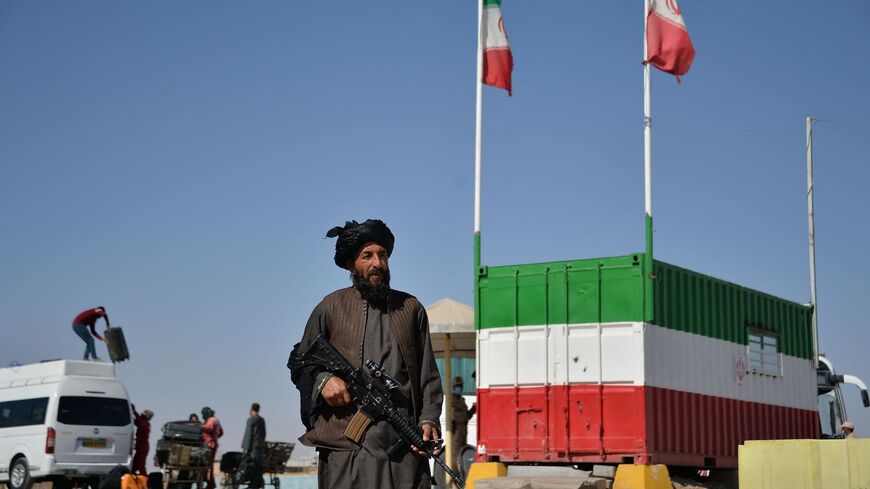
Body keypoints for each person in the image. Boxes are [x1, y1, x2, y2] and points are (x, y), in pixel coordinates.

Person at [288, 219, 444, 489]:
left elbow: (427, 375)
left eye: (382, 255)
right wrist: (323, 380)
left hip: (401, 448)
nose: (377, 264)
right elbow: (301, 360)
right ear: (351, 264)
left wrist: (429, 419)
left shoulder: (410, 308)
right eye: (367, 256)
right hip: (346, 448)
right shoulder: (330, 307)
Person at [449, 376, 475, 466]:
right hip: (456, 432)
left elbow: (466, 416)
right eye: (457, 386)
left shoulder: (462, 400)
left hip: (463, 432)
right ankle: (453, 477)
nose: (459, 388)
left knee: (462, 455)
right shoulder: (451, 400)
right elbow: (454, 416)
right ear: (453, 387)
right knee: (455, 457)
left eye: (460, 386)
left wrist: (473, 409)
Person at [242, 403, 267, 489]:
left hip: (253, 447)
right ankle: (258, 483)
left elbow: (248, 434)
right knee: (258, 467)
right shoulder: (261, 420)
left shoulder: (251, 420)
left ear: (251, 409)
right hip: (260, 446)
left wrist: (246, 447)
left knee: (253, 466)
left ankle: (253, 486)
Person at [200, 407, 223, 489]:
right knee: (209, 465)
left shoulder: (211, 420)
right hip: (213, 444)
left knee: (205, 465)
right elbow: (221, 432)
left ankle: (210, 483)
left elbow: (209, 428)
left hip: (209, 445)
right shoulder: (216, 420)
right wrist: (215, 437)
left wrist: (200, 427)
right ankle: (210, 483)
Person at [131, 405, 154, 474]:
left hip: (142, 446)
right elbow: (136, 421)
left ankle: (145, 480)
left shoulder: (145, 424)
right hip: (140, 446)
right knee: (135, 464)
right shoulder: (144, 423)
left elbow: (139, 421)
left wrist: (134, 411)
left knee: (141, 464)